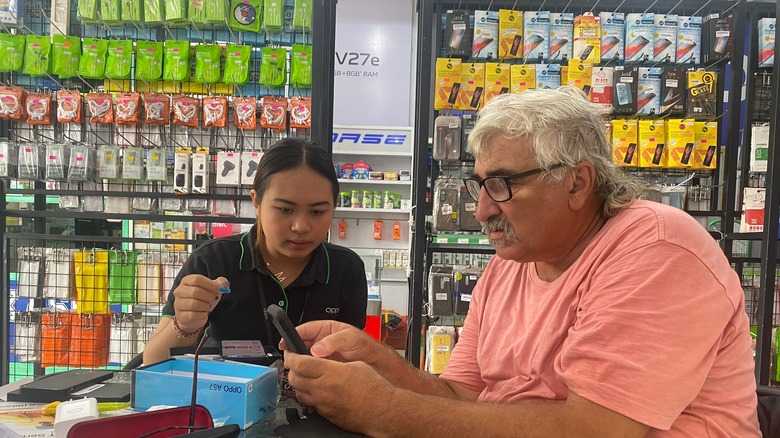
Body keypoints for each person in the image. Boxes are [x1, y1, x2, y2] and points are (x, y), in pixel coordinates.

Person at [282, 87, 759, 437]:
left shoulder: (656, 250)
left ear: (577, 182)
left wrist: (384, 409)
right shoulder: (511, 264)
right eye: (480, 184)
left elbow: (593, 430)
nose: (483, 209)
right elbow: (463, 398)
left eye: (504, 184)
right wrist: (377, 361)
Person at [143, 139, 368, 365]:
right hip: (224, 397)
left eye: (317, 212)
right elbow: (152, 360)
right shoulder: (213, 260)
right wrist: (184, 326)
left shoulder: (346, 269)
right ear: (256, 202)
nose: (301, 226)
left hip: (314, 398)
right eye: (285, 209)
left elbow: (351, 361)